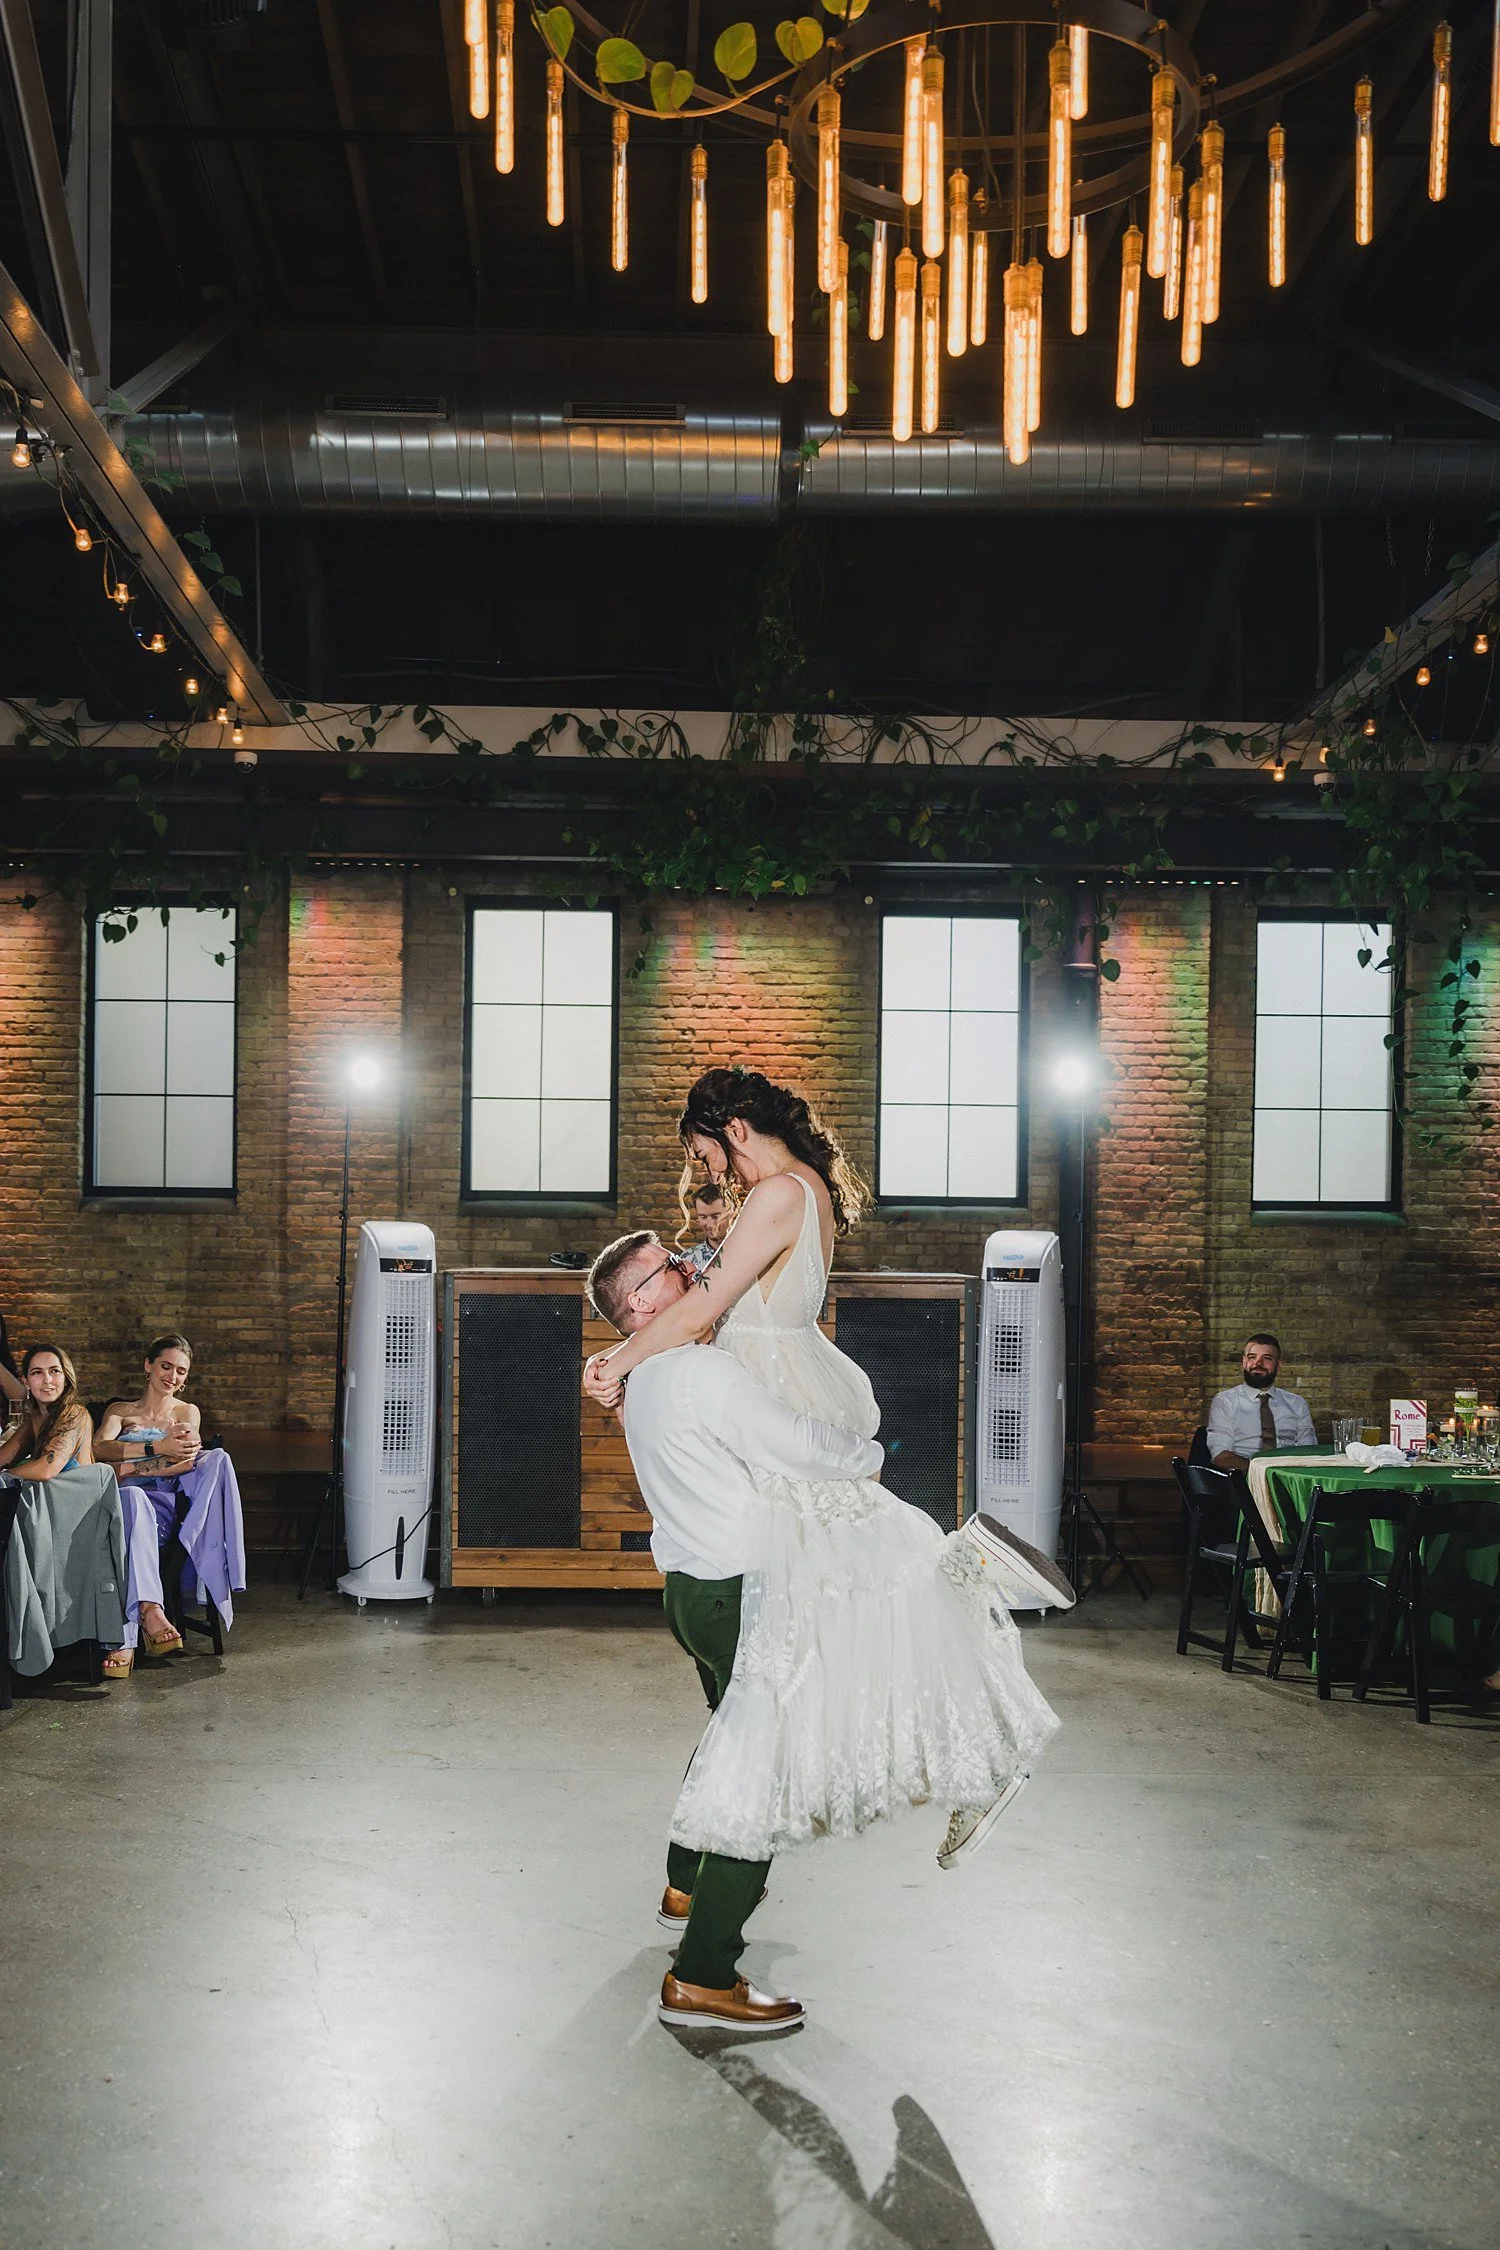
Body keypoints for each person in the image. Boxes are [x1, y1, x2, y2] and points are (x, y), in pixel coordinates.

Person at [583, 1067, 1061, 1903]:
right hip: (777, 1387)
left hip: (776, 1399)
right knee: (835, 1620)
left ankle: (978, 1755)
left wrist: (613, 1363)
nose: (710, 1177)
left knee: (838, 1624)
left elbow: (698, 1315)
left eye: (707, 1157)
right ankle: (706, 1866)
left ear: (732, 1129)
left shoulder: (777, 1196)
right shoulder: (797, 1192)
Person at [589, 1226, 886, 2033]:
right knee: (766, 1775)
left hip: (689, 1590)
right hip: (739, 1595)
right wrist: (868, 1454)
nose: (693, 1271)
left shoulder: (645, 1377)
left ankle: (686, 1879)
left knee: (731, 1736)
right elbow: (797, 1448)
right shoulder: (701, 1373)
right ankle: (704, 1974)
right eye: (669, 1269)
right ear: (643, 1303)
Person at [93, 1333, 245, 1678]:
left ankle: (128, 1636)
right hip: (112, 1504)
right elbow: (98, 1449)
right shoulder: (120, 1411)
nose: (172, 1376)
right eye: (165, 1366)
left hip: (160, 1506)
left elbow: (183, 1462)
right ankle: (149, 1610)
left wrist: (125, 1467)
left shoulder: (185, 1412)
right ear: (148, 1366)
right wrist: (155, 1449)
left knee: (134, 1498)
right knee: (127, 1501)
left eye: (180, 1371)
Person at [1206, 1333, 1317, 1474]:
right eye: (1252, 1357)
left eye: (1267, 1358)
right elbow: (1221, 1456)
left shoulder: (1297, 1403)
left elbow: (1308, 1452)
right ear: (1244, 1361)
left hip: (1289, 1478)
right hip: (1243, 1479)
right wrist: (1263, 1475)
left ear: (1279, 1364)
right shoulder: (1225, 1401)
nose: (1258, 1364)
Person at [681, 1180, 730, 1274]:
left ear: (730, 1213)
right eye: (703, 1217)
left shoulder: (749, 1251)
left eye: (715, 1217)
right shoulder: (687, 1259)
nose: (710, 1224)